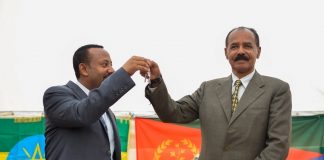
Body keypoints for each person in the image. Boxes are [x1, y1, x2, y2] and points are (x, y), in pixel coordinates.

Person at [144, 27, 292, 160]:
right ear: (226, 52)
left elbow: (278, 146)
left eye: (247, 46)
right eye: (234, 46)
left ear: (258, 51)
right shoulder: (208, 89)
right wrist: (156, 81)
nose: (241, 51)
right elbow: (173, 113)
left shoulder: (277, 90)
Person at [43, 44, 149, 160]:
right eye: (105, 64)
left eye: (111, 65)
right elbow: (83, 113)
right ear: (84, 69)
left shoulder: (107, 112)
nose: (112, 70)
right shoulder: (55, 95)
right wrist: (124, 73)